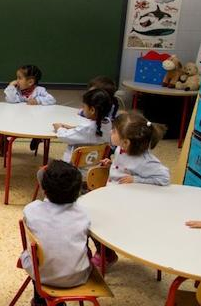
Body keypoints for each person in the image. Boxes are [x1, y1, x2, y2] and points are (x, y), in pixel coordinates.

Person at [93, 110, 169, 269]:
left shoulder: (145, 161)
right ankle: (105, 253)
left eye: (114, 131)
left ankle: (106, 255)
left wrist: (136, 179)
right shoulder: (121, 149)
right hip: (111, 194)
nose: (111, 133)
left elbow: (164, 178)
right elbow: (122, 163)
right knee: (88, 219)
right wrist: (111, 163)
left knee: (96, 222)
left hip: (126, 206)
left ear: (126, 142)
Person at [20, 160, 91, 306]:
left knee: (35, 255)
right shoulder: (84, 213)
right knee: (83, 246)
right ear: (78, 192)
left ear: (44, 191)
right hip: (78, 277)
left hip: (42, 277)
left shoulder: (31, 209)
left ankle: (40, 301)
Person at [52, 88, 113, 177]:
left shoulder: (87, 128)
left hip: (76, 170)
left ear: (92, 110)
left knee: (47, 170)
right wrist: (73, 128)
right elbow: (86, 133)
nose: (82, 109)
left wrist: (59, 128)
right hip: (94, 168)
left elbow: (65, 137)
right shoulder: (108, 122)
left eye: (84, 106)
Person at [1, 65, 56, 155]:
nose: (16, 81)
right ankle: (4, 143)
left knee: (41, 126)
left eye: (19, 78)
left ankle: (37, 138)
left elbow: (52, 99)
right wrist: (11, 86)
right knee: (2, 126)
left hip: (35, 121)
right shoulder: (17, 90)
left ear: (30, 82)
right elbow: (12, 100)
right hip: (19, 119)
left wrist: (38, 100)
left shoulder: (39, 90)